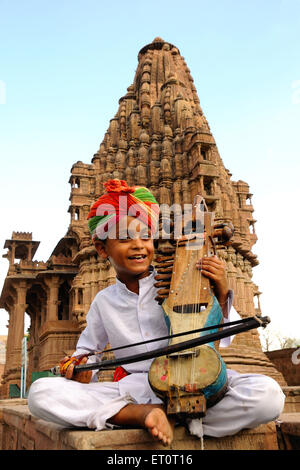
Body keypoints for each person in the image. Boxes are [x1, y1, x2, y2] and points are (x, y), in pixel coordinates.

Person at [28, 179, 285, 447]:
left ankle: (171, 419)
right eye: (126, 238)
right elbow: (87, 356)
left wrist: (221, 291)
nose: (139, 245)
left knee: (268, 396)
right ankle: (148, 416)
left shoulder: (182, 281)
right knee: (41, 394)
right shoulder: (103, 302)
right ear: (102, 249)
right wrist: (81, 369)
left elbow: (218, 337)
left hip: (195, 379)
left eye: (146, 236)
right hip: (136, 392)